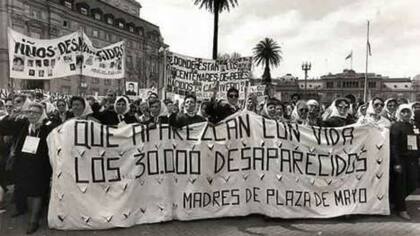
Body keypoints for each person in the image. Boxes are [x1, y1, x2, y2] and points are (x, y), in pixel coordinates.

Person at [0, 102, 58, 234]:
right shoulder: (24, 124)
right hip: (23, 162)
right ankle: (22, 209)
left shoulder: (47, 125)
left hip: (41, 165)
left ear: (41, 113)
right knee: (22, 187)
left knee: (37, 191)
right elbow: (4, 128)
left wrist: (42, 126)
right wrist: (12, 117)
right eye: (29, 112)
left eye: (35, 112)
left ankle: (34, 221)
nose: (31, 114)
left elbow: (55, 134)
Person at [389, 104, 419, 220]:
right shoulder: (396, 126)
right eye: (403, 112)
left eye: (408, 112)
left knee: (412, 183)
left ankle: (396, 202)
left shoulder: (411, 126)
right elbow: (394, 146)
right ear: (399, 113)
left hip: (412, 159)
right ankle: (401, 209)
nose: (406, 114)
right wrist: (396, 162)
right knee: (401, 184)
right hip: (401, 159)